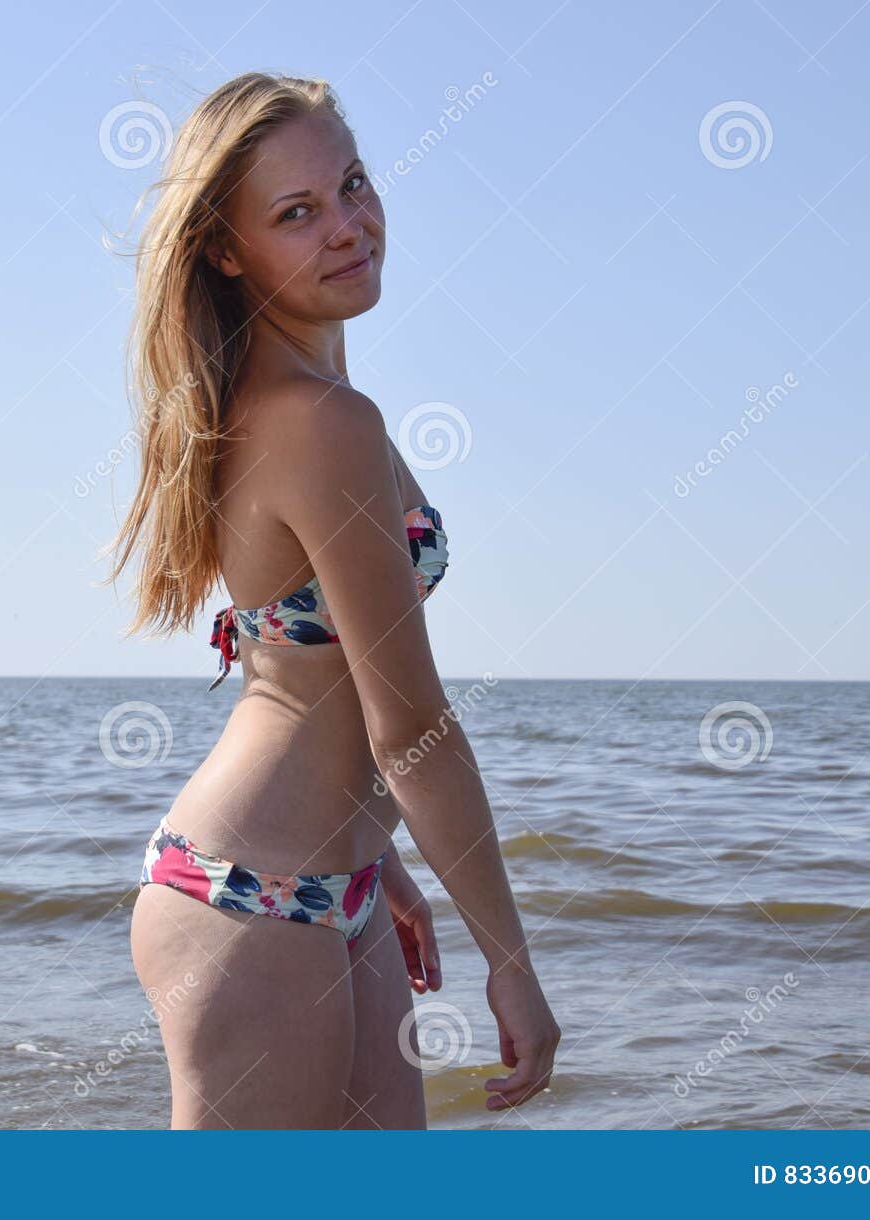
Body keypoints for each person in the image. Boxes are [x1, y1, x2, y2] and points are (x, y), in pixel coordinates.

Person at [106, 71, 559, 1129]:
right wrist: (510, 961)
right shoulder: (321, 421)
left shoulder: (296, 407)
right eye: (296, 213)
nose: (349, 226)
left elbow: (316, 681)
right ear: (227, 249)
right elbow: (411, 724)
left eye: (351, 185)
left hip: (330, 888)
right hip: (249, 898)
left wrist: (380, 851)